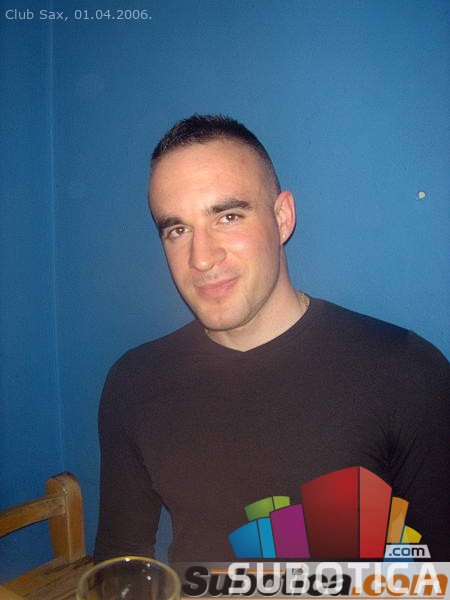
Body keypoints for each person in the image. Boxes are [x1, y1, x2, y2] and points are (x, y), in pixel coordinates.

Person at [94, 115, 449, 563]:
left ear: (282, 218)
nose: (201, 259)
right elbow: (121, 563)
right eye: (177, 229)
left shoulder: (405, 372)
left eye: (227, 216)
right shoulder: (133, 383)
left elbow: (438, 573)